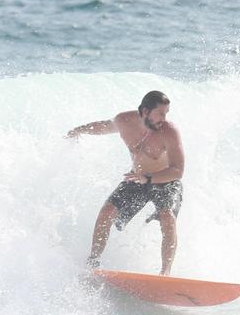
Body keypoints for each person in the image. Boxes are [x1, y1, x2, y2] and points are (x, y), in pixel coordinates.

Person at [66, 91, 185, 275]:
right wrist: (79, 130)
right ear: (146, 111)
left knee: (167, 217)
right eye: (160, 113)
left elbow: (178, 170)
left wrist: (150, 179)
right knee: (107, 212)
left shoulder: (169, 131)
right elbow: (103, 127)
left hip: (165, 179)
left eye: (166, 113)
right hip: (137, 178)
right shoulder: (124, 121)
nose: (164, 118)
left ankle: (165, 273)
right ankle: (93, 262)